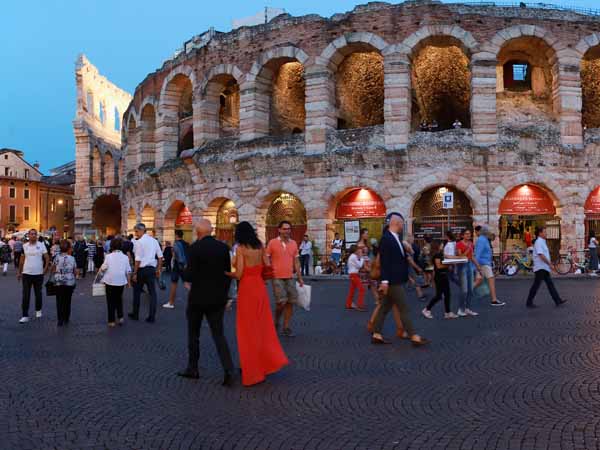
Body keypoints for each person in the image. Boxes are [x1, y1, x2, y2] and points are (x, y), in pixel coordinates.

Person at [226, 221, 288, 387]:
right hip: (259, 288)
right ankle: (264, 365)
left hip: (247, 288)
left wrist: (225, 273)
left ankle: (252, 370)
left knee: (247, 330)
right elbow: (267, 266)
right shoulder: (260, 246)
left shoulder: (240, 249)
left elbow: (238, 274)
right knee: (262, 327)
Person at [178, 219, 235, 386]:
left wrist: (183, 273)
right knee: (219, 334)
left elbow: (189, 275)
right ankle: (228, 369)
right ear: (211, 231)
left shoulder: (194, 248)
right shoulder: (223, 248)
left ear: (198, 231)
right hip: (217, 298)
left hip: (198, 297)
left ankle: (193, 368)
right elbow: (227, 274)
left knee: (193, 334)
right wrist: (225, 296)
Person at [371, 213, 429, 346]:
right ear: (396, 223)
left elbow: (400, 261)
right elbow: (385, 262)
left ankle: (376, 333)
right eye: (402, 223)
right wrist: (385, 281)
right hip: (392, 281)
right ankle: (414, 335)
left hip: (396, 279)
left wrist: (408, 276)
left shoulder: (396, 238)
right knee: (404, 308)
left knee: (384, 307)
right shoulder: (386, 239)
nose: (403, 225)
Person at [266, 221, 304, 337]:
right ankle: (276, 320)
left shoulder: (293, 243)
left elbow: (296, 261)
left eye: (288, 229)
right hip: (276, 276)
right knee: (280, 302)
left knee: (290, 302)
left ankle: (286, 326)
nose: (287, 231)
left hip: (290, 276)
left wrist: (300, 277)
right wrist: (269, 271)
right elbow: (266, 258)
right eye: (284, 229)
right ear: (279, 230)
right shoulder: (272, 243)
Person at [526, 227, 568, 308]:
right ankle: (529, 301)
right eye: (544, 232)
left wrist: (548, 264)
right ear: (540, 233)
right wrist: (549, 264)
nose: (546, 233)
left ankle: (557, 300)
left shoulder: (542, 242)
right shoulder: (538, 242)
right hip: (540, 267)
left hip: (543, 267)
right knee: (537, 285)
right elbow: (541, 255)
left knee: (549, 284)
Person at [129, 223, 163, 323]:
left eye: (136, 231)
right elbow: (160, 257)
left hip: (141, 270)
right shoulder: (154, 241)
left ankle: (135, 314)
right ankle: (151, 316)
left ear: (141, 230)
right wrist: (158, 270)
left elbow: (138, 259)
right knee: (152, 293)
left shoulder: (140, 242)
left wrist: (134, 273)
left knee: (137, 292)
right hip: (151, 270)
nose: (135, 234)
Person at [17, 229, 50, 323]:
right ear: (28, 236)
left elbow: (47, 257)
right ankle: (25, 315)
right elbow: (21, 260)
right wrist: (19, 272)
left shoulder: (41, 244)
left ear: (37, 235)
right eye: (31, 234)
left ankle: (38, 310)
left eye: (35, 234)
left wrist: (45, 268)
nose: (33, 236)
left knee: (38, 293)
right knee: (25, 295)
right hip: (26, 273)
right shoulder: (24, 246)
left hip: (38, 273)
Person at [99, 238, 131, 327]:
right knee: (119, 299)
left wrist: (101, 272)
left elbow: (103, 268)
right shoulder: (125, 257)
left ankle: (111, 320)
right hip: (121, 281)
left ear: (112, 246)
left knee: (110, 301)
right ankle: (120, 317)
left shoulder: (108, 256)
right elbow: (128, 271)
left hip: (110, 280)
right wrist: (129, 282)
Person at [422, 241, 457, 319]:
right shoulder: (437, 254)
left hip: (442, 276)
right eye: (441, 244)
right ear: (437, 246)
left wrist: (460, 258)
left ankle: (447, 312)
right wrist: (449, 264)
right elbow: (439, 266)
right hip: (440, 277)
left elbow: (449, 257)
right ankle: (426, 309)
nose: (442, 245)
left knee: (447, 294)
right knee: (439, 296)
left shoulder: (439, 253)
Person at [474, 225, 505, 306]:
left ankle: (465, 293)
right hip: (483, 263)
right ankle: (494, 300)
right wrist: (477, 266)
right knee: (491, 280)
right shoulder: (482, 240)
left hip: (483, 263)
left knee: (478, 281)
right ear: (485, 232)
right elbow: (477, 254)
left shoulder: (483, 239)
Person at [52, 240, 78, 327]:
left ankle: (60, 319)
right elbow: (75, 271)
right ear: (69, 249)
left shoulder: (56, 257)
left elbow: (53, 268)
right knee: (68, 300)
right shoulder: (72, 258)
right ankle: (66, 318)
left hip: (58, 281)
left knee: (59, 301)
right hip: (69, 282)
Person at [456, 229, 480, 317]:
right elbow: (460, 256)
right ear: (462, 235)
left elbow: (472, 256)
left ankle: (468, 309)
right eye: (466, 234)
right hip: (462, 266)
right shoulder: (459, 244)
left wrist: (478, 266)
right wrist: (468, 249)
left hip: (469, 265)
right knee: (464, 290)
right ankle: (460, 309)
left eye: (469, 233)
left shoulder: (471, 244)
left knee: (471, 289)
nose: (468, 235)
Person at [163, 230, 189, 309]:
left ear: (176, 235)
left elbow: (175, 256)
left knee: (174, 284)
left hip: (177, 266)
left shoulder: (176, 244)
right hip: (184, 266)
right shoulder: (186, 244)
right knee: (186, 284)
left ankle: (171, 302)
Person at [345, 244, 366, 311]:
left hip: (352, 274)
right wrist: (362, 258)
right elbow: (359, 265)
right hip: (354, 275)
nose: (359, 251)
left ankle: (348, 304)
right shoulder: (354, 257)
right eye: (357, 250)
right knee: (362, 289)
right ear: (355, 250)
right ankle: (360, 305)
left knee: (352, 290)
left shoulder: (352, 256)